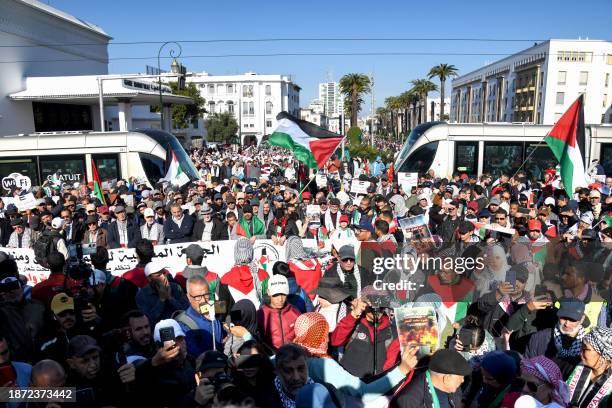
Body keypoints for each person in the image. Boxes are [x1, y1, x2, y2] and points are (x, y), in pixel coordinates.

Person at [293, 312, 419, 405]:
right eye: (322, 335)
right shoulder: (322, 365)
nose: (327, 339)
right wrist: (402, 370)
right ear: (313, 337)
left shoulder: (286, 359)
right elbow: (365, 393)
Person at [525, 298, 588, 377]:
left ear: (582, 319)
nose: (567, 324)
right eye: (563, 318)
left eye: (572, 320)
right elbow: (527, 368)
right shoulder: (539, 338)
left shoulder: (587, 347)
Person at [390, 349, 472, 408]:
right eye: (460, 377)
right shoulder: (408, 401)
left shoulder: (454, 388)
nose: (462, 380)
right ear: (447, 379)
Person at [174, 276, 224, 358]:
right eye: (197, 297)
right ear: (188, 297)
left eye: (206, 295)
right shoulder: (183, 324)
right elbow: (196, 356)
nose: (203, 300)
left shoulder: (216, 310)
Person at [218, 237, 269, 311]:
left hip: (236, 320)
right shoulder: (264, 275)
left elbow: (221, 308)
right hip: (259, 318)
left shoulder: (225, 278)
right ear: (251, 252)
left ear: (235, 253)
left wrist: (217, 317)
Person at [566, 327, 612, 407]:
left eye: (585, 348)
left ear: (603, 355)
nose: (580, 352)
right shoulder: (571, 365)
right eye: (581, 346)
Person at [258, 274, 301, 351]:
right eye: (276, 295)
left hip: (292, 357)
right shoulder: (260, 315)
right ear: (268, 292)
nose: (280, 299)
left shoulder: (295, 312)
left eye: (283, 294)